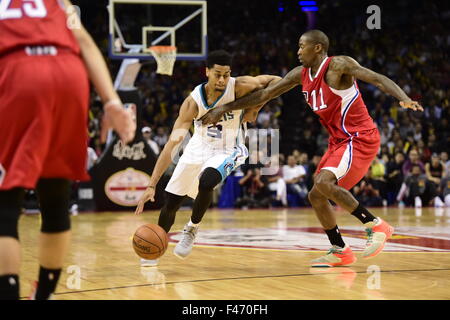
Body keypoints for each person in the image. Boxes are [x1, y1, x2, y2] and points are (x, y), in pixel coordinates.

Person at [200, 29, 423, 267]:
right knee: (316, 195)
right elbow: (266, 93)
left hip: (359, 137)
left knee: (325, 184)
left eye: (301, 46)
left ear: (317, 48)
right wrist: (225, 109)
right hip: (338, 140)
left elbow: (377, 78)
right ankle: (340, 249)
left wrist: (403, 98)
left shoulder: (338, 65)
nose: (297, 51)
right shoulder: (300, 74)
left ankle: (376, 225)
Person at [0, 0, 135, 300]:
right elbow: (83, 41)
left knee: (5, 206)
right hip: (68, 74)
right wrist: (111, 102)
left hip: (18, 71)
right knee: (55, 197)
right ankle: (43, 295)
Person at [135, 50, 281, 266]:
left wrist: (254, 106)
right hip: (198, 146)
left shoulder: (240, 86)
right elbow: (171, 147)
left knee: (207, 180)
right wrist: (151, 185)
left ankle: (192, 228)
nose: (222, 80)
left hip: (230, 147)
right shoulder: (193, 103)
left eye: (226, 74)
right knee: (171, 203)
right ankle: (155, 249)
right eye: (217, 74)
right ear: (207, 72)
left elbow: (277, 82)